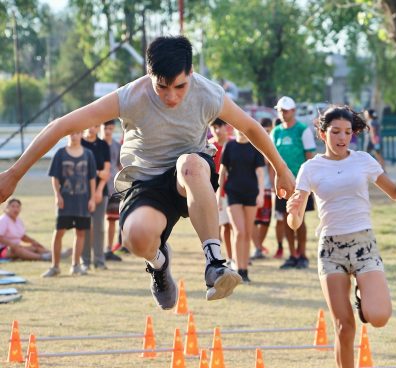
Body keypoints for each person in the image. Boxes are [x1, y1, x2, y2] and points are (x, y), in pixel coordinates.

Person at [0, 35, 295, 309]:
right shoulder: (131, 96)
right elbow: (61, 126)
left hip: (189, 176)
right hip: (145, 182)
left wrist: (280, 169)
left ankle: (215, 263)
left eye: (180, 87)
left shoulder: (208, 93)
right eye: (161, 87)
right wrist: (14, 174)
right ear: (149, 74)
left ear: (191, 72)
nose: (171, 97)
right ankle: (159, 263)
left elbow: (251, 128)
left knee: (191, 164)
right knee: (136, 237)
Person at [286, 105, 396, 368]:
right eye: (335, 132)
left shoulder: (363, 160)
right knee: (344, 327)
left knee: (379, 317)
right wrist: (295, 210)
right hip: (331, 249)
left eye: (347, 132)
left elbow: (395, 192)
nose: (342, 138)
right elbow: (295, 222)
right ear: (322, 133)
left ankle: (364, 300)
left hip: (364, 244)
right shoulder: (310, 168)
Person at [42, 132, 97, 277]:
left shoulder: (88, 154)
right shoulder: (60, 153)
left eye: (77, 133)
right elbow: (54, 177)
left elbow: (92, 178)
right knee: (59, 232)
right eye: (71, 133)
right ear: (67, 135)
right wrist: (57, 195)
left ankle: (76, 265)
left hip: (82, 201)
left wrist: (92, 198)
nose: (74, 136)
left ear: (82, 135)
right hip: (65, 201)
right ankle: (55, 266)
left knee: (80, 233)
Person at [272, 96, 317, 269]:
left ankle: (302, 254)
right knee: (285, 219)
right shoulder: (276, 132)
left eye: (286, 110)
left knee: (300, 218)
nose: (283, 113)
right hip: (283, 184)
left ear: (293, 111)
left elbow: (310, 157)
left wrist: (309, 182)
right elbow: (271, 159)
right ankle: (292, 254)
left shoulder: (302, 130)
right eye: (280, 110)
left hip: (301, 183)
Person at [218, 130, 265, 283]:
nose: (242, 131)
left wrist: (261, 193)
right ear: (234, 129)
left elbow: (260, 173)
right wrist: (218, 195)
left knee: (247, 232)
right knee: (239, 231)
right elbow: (222, 172)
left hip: (251, 193)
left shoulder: (255, 146)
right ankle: (238, 269)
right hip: (233, 193)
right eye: (238, 128)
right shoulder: (230, 146)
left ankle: (244, 270)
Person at [81, 125, 111, 270]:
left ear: (99, 127)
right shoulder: (79, 143)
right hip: (82, 192)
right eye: (89, 125)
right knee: (85, 225)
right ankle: (85, 261)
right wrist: (98, 172)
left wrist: (98, 191)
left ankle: (99, 260)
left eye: (95, 125)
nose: (91, 128)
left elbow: (106, 172)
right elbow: (81, 169)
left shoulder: (103, 145)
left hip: (100, 192)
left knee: (99, 226)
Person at [209, 117, 233, 263]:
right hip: (216, 192)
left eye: (220, 126)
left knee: (237, 226)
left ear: (226, 127)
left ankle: (238, 256)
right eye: (214, 127)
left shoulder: (233, 143)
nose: (217, 130)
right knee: (224, 225)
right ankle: (229, 257)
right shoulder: (209, 147)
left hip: (235, 190)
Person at [251, 117, 275, 260]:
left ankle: (259, 246)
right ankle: (257, 248)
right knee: (253, 219)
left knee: (265, 220)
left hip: (266, 187)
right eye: (264, 131)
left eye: (269, 131)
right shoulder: (253, 144)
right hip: (252, 187)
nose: (267, 134)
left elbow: (270, 165)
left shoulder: (272, 144)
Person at [101, 119, 123, 261]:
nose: (108, 131)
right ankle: (97, 249)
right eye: (105, 128)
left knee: (112, 220)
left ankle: (109, 249)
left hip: (113, 188)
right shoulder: (97, 145)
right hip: (99, 187)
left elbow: (120, 166)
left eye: (110, 128)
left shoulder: (117, 146)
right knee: (97, 220)